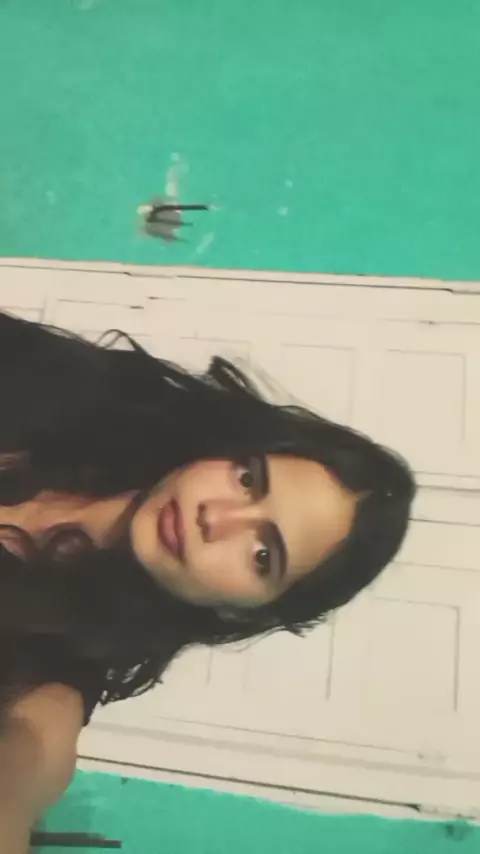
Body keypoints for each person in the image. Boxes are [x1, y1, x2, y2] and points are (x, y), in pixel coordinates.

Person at [0, 309, 415, 845]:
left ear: (242, 610)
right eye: (248, 478)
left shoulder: (53, 679)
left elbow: (29, 757)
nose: (217, 518)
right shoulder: (67, 393)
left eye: (262, 554)